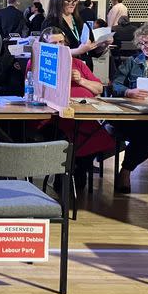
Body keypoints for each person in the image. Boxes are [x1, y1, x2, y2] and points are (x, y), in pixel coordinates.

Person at [31, 27, 113, 192]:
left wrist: (81, 80)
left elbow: (98, 88)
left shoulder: (78, 63)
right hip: (53, 118)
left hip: (83, 115)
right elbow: (36, 90)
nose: (59, 46)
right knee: (69, 135)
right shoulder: (39, 63)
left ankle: (79, 170)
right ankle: (68, 175)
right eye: (54, 43)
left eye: (62, 42)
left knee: (97, 133)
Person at [110, 22, 148, 193]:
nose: (144, 47)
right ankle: (126, 171)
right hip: (138, 115)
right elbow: (115, 85)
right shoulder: (134, 62)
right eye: (141, 43)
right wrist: (128, 91)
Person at [41, 0, 109, 70]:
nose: (73, 4)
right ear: (58, 1)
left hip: (85, 70)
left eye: (76, 0)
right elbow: (50, 53)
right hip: (65, 70)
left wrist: (103, 44)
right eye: (68, 0)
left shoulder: (80, 21)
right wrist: (78, 51)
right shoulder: (50, 23)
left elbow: (92, 52)